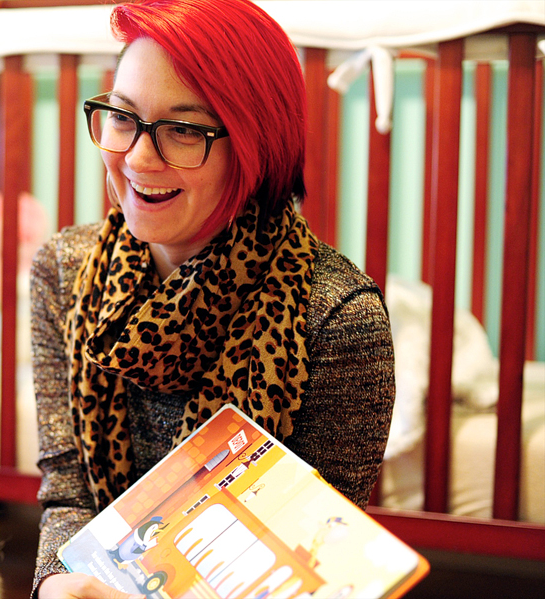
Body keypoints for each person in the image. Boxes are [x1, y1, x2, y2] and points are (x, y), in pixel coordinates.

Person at [29, 1, 395, 597]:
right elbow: (69, 490)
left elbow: (318, 561)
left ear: (254, 146)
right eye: (122, 118)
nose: (138, 159)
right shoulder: (65, 273)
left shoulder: (336, 317)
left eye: (183, 130)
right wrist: (56, 585)